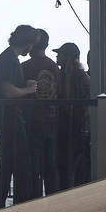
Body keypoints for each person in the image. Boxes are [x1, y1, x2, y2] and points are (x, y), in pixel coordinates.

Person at [0, 25, 39, 210]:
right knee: (17, 161)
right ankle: (15, 205)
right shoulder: (9, 60)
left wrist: (23, 84)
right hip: (8, 118)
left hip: (4, 117)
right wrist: (29, 89)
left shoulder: (8, 58)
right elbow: (8, 91)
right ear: (28, 43)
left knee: (8, 161)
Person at [20, 28, 61, 198]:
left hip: (31, 121)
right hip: (51, 120)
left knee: (32, 167)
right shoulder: (54, 67)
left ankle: (33, 202)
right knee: (50, 167)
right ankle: (54, 203)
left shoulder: (24, 67)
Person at [54, 42, 91, 189]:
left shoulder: (67, 75)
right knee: (72, 164)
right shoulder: (80, 75)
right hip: (75, 125)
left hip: (68, 125)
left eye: (60, 54)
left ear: (67, 57)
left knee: (65, 163)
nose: (57, 56)